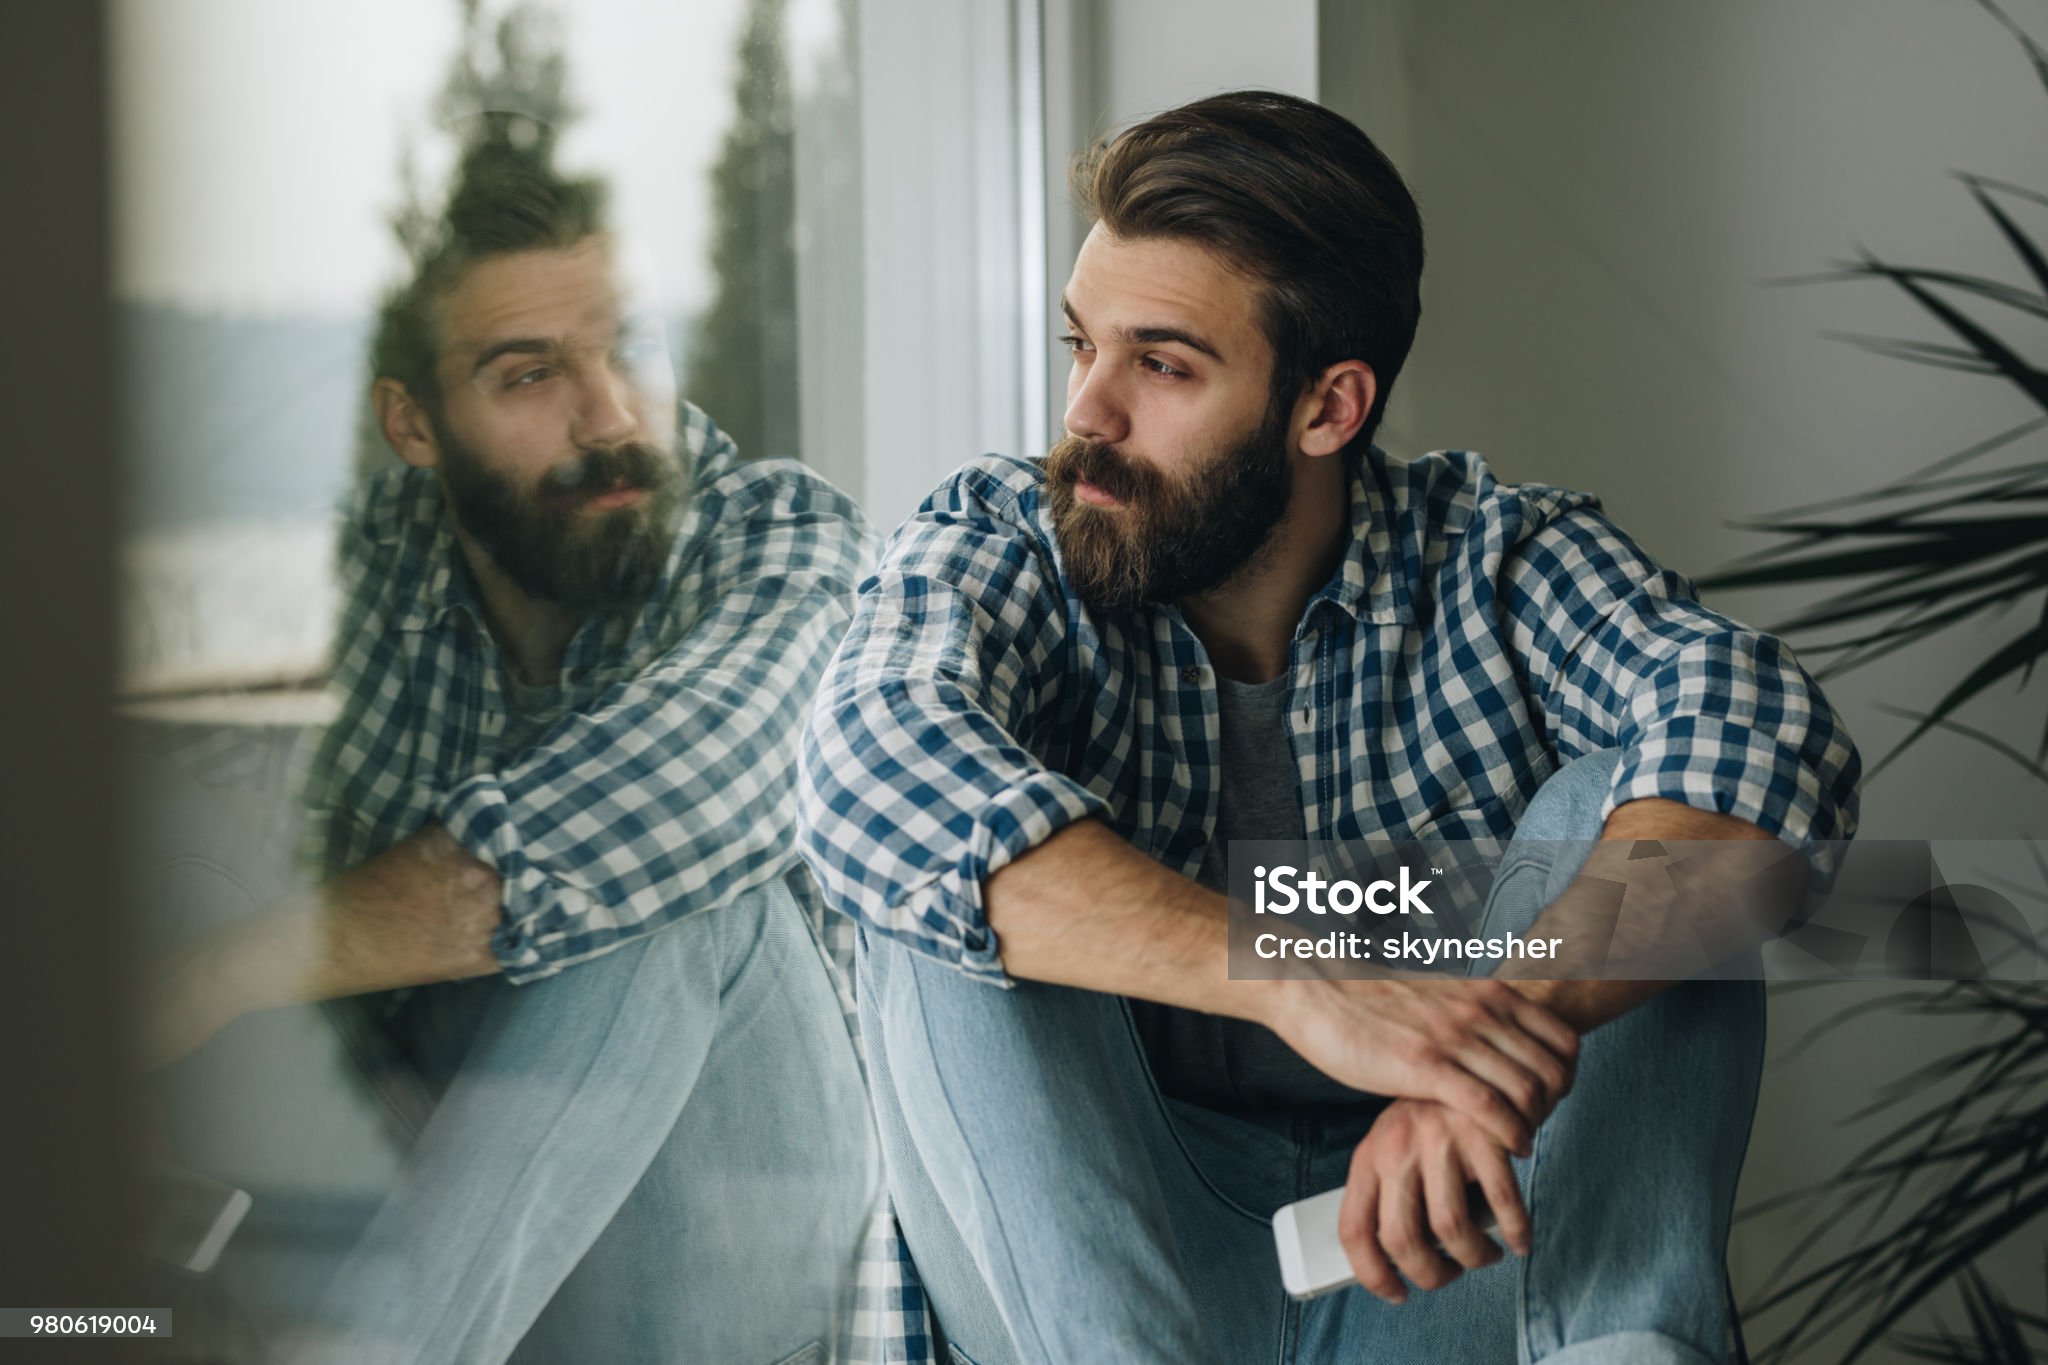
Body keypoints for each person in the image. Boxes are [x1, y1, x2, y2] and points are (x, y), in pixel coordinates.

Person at [798, 91, 1859, 1364]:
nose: (1086, 411)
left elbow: (1763, 742)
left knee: (1649, 829)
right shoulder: (1001, 541)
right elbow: (870, 763)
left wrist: (1490, 1034)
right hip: (1120, 1272)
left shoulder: (1500, 558)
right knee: (939, 878)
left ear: (1326, 408)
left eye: (1161, 365)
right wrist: (1303, 981)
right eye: (1080, 346)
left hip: (1439, 1232)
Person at [147, 136, 879, 1363]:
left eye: (626, 348)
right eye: (529, 374)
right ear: (415, 425)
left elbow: (659, 810)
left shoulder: (786, 539)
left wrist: (214, 976)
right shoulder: (394, 559)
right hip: (491, 1210)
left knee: (679, 893)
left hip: (738, 1232)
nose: (607, 415)